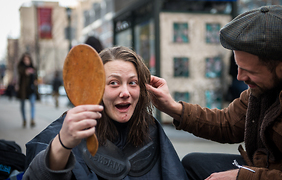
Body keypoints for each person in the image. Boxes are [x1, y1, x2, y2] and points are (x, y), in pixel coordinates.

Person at [146, 5, 282, 180]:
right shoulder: (269, 81)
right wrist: (172, 107)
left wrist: (241, 177)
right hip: (264, 166)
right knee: (193, 163)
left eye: (249, 71)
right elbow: (228, 123)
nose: (239, 77)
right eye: (238, 67)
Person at [22, 46, 188, 180]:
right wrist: (62, 144)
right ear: (96, 88)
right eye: (114, 83)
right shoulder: (69, 129)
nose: (125, 92)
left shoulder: (149, 127)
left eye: (132, 82)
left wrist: (174, 108)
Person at [17, 52, 39, 128]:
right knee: (22, 105)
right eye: (25, 59)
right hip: (23, 89)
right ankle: (24, 119)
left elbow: (36, 77)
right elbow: (21, 72)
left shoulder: (33, 67)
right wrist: (26, 72)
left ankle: (32, 119)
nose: (26, 61)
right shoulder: (21, 67)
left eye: (28, 59)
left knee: (32, 104)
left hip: (31, 89)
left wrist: (36, 81)